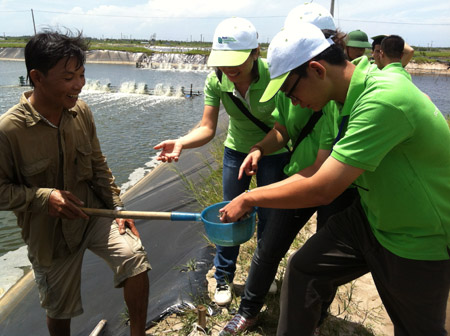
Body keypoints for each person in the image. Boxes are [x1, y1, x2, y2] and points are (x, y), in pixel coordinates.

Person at [220, 22, 450, 336]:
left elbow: (324, 188)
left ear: (316, 69)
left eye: (291, 91)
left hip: (419, 233)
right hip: (372, 214)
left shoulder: (382, 100)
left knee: (415, 329)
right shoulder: (344, 96)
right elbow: (318, 171)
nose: (294, 102)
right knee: (304, 269)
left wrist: (249, 197)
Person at [0, 31, 151, 336]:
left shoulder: (80, 111)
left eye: (81, 75)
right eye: (69, 77)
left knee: (134, 260)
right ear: (37, 77)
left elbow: (97, 165)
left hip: (93, 215)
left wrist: (118, 208)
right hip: (49, 236)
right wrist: (45, 198)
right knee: (59, 309)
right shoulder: (9, 130)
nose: (79, 85)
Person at [219, 4, 357, 335]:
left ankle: (318, 316)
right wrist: (259, 149)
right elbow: (284, 128)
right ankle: (248, 310)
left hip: (333, 185)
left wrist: (252, 197)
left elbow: (323, 174)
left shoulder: (337, 101)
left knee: (323, 256)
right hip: (298, 174)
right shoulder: (291, 86)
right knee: (268, 248)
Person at [153, 17, 290, 306]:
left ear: (255, 52)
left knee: (269, 216)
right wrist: (181, 142)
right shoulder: (217, 80)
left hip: (274, 152)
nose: (230, 68)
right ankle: (224, 276)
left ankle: (263, 273)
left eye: (237, 61)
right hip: (236, 151)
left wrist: (260, 150)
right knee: (229, 215)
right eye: (224, 61)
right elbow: (207, 128)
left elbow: (285, 128)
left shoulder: (276, 76)